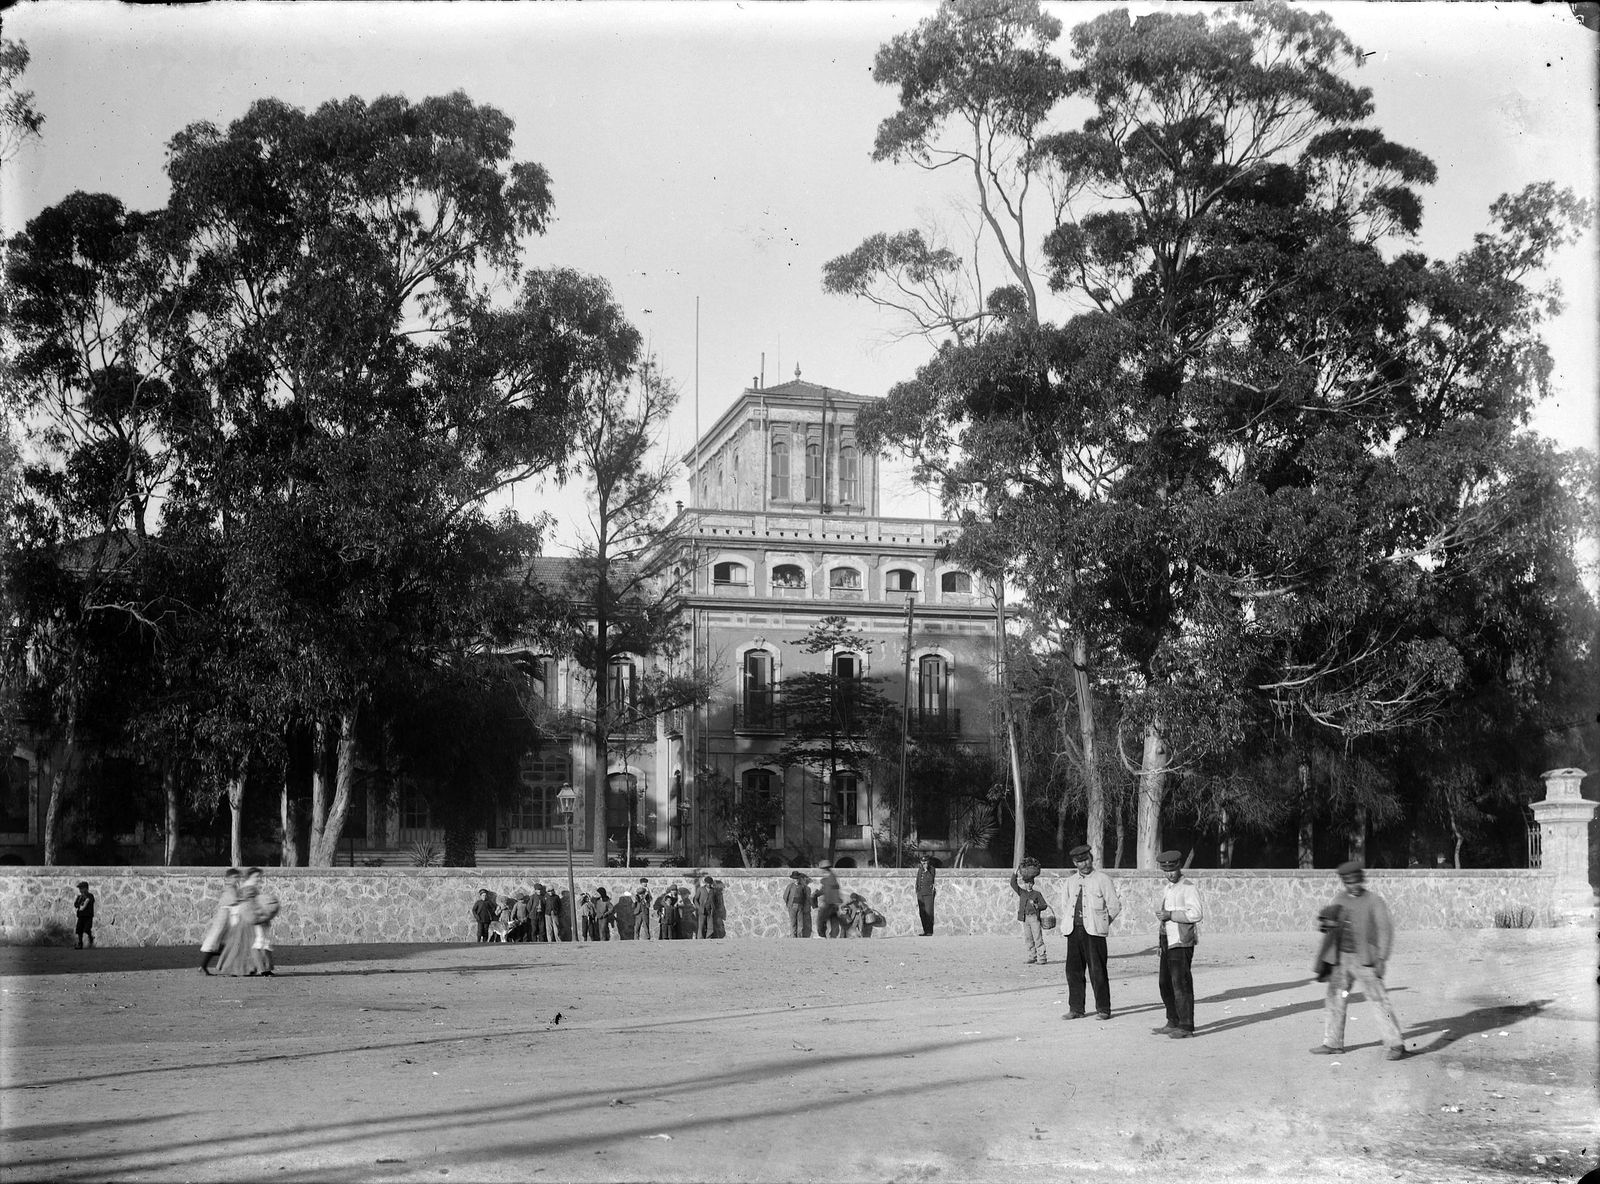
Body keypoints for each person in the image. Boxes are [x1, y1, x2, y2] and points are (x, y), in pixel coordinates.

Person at [1313, 860, 1407, 1061]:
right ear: (1344, 882)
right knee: (1335, 999)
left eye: (1355, 882)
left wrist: (1382, 958)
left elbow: (1385, 930)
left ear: (1361, 880)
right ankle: (1333, 1043)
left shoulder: (1374, 901)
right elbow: (1331, 925)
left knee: (1379, 1000)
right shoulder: (1339, 898)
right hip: (1341, 960)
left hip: (1365, 960)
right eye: (1348, 882)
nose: (1352, 886)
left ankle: (1396, 1044)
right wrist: (1326, 924)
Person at [1060, 843, 1120, 1020]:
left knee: (1097, 971)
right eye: (1080, 861)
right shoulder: (1070, 882)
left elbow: (1114, 906)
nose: (1084, 864)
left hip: (1094, 933)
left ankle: (1103, 1009)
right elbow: (1065, 904)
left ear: (1091, 858)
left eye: (1086, 859)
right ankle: (1076, 1008)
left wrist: (1102, 923)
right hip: (1073, 931)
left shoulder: (1103, 879)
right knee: (1073, 971)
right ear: (1074, 863)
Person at [1153, 849, 1203, 1039]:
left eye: (1172, 869)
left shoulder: (1188, 887)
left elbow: (1196, 914)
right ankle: (1172, 1020)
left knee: (1180, 984)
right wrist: (1160, 941)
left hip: (1181, 941)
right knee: (1164, 983)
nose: (1169, 874)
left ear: (1179, 866)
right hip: (1168, 941)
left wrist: (1171, 915)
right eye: (1166, 870)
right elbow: (1164, 918)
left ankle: (1186, 1026)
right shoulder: (1167, 888)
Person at [214, 871, 259, 977]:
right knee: (238, 946)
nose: (258, 878)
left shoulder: (244, 887)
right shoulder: (246, 887)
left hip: (245, 919)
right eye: (256, 876)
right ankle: (232, 969)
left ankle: (246, 968)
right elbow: (235, 903)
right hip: (241, 920)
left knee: (245, 946)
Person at [201, 869, 242, 974]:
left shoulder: (233, 888)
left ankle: (206, 966)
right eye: (234, 877)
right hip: (225, 920)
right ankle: (205, 966)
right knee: (219, 945)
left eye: (237, 877)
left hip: (228, 921)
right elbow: (230, 902)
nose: (236, 880)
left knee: (223, 947)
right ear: (229, 878)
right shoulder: (229, 889)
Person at [1009, 859, 1049, 965]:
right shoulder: (1021, 892)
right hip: (1025, 918)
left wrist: (1036, 905)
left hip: (1034, 918)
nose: (1028, 885)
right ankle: (1032, 956)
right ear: (1025, 884)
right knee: (1028, 938)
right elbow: (1013, 883)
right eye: (1026, 883)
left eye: (1030, 883)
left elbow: (1044, 905)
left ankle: (1042, 958)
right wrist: (1015, 872)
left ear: (1033, 884)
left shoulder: (1037, 894)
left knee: (1037, 938)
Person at [248, 867, 280, 976]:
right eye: (256, 876)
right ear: (250, 876)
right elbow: (249, 906)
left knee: (264, 942)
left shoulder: (254, 889)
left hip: (262, 919)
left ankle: (258, 968)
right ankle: (263, 969)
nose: (258, 879)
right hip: (257, 920)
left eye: (259, 877)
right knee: (261, 942)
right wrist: (260, 914)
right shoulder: (248, 889)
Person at [815, 861, 844, 938]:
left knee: (820, 919)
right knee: (833, 920)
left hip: (829, 903)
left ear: (825, 869)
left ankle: (822, 936)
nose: (822, 870)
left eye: (823, 869)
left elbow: (829, 891)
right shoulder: (830, 878)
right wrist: (817, 893)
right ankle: (833, 937)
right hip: (833, 903)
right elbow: (825, 890)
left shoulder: (830, 878)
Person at [914, 851, 937, 936]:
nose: (923, 863)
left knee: (929, 912)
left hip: (928, 894)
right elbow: (918, 880)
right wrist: (917, 890)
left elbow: (931, 879)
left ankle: (929, 931)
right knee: (922, 913)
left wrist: (927, 870)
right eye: (922, 862)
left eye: (925, 862)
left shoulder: (932, 869)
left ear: (928, 862)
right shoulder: (920, 870)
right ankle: (925, 930)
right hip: (920, 893)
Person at [783, 871, 809, 937]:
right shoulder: (790, 886)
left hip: (800, 906)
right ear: (793, 879)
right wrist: (788, 905)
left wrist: (803, 904)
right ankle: (793, 936)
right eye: (795, 878)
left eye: (797, 878)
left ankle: (799, 936)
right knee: (793, 922)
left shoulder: (802, 886)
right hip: (792, 906)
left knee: (800, 922)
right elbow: (785, 896)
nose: (796, 880)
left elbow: (804, 896)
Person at [73, 881, 96, 949]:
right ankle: (80, 944)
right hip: (81, 916)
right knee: (79, 930)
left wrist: (85, 899)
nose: (80, 890)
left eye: (82, 888)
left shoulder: (90, 896)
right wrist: (80, 902)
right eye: (80, 889)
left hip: (88, 916)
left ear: (86, 888)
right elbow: (76, 904)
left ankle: (90, 937)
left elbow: (90, 902)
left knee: (87, 929)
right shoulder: (79, 897)